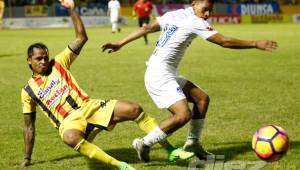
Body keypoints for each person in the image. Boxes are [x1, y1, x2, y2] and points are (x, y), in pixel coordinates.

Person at [20, 0, 194, 169]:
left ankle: (171, 151)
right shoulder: (28, 91)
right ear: (29, 61)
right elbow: (29, 127)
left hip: (90, 107)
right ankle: (122, 166)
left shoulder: (58, 63)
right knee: (69, 137)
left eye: (45, 57)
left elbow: (81, 38)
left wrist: (72, 9)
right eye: (38, 59)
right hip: (69, 122)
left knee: (134, 109)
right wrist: (27, 158)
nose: (43, 61)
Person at [102, 0, 278, 162]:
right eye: (205, 9)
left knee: (202, 99)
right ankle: (144, 143)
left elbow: (147, 28)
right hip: (159, 75)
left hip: (162, 72)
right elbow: (223, 41)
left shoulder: (174, 14)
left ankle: (193, 143)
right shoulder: (195, 22)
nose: (208, 14)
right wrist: (255, 43)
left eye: (211, 11)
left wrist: (120, 43)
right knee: (183, 115)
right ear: (194, 4)